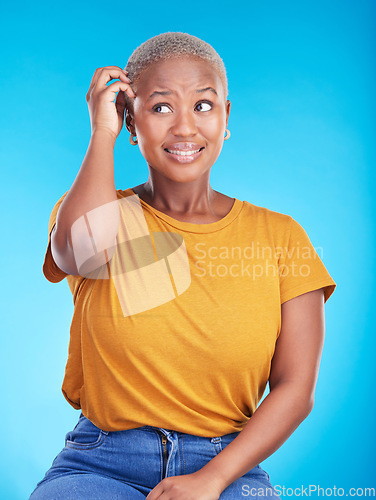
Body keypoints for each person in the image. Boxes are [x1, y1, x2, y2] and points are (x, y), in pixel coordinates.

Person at [29, 32, 336, 499]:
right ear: (131, 121)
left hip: (228, 467)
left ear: (226, 117)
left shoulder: (281, 237)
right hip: (100, 464)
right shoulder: (98, 214)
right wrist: (102, 133)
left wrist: (212, 479)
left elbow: (295, 388)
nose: (186, 128)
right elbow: (79, 251)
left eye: (203, 105)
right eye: (160, 107)